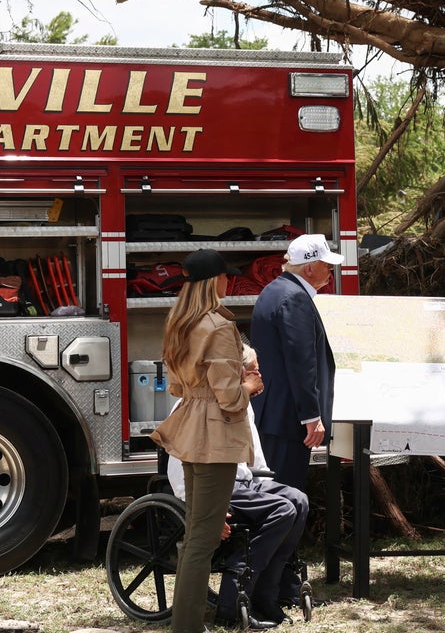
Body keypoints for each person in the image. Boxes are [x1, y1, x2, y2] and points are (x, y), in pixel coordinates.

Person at [150, 248, 264, 633]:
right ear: (216, 281)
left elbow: (178, 385)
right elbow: (231, 397)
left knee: (197, 534)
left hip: (190, 428)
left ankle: (186, 623)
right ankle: (187, 627)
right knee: (203, 538)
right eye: (225, 277)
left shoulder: (178, 321)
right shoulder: (217, 325)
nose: (228, 282)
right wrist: (250, 384)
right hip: (215, 433)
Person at [167, 392, 310, 629]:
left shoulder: (243, 403)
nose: (260, 376)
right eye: (252, 370)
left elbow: (255, 459)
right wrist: (208, 512)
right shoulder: (193, 406)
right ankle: (231, 599)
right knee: (282, 511)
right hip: (219, 489)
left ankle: (266, 595)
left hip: (247, 482)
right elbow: (179, 473)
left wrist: (268, 485)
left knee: (298, 500)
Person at [249, 233, 343, 492]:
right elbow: (302, 362)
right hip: (286, 418)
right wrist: (312, 416)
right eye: (326, 264)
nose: (330, 270)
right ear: (310, 268)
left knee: (272, 492)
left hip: (273, 414)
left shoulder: (275, 290)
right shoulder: (295, 298)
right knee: (285, 496)